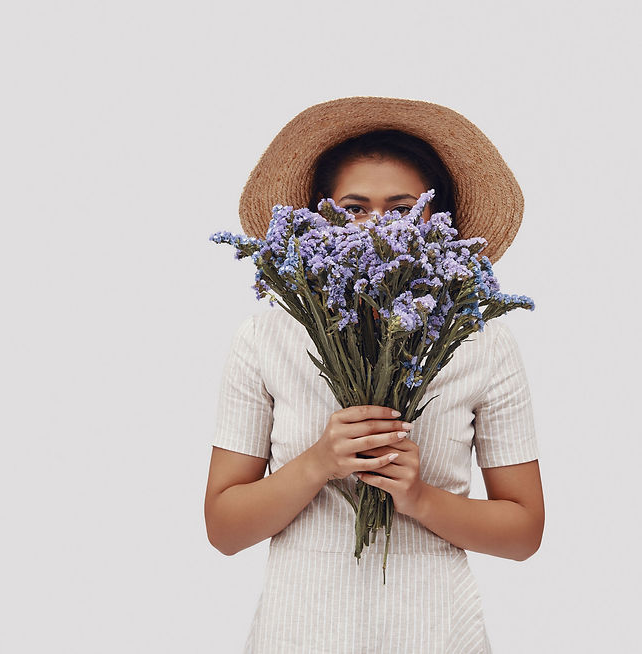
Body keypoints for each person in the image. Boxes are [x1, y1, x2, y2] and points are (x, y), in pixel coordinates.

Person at [205, 96, 544, 653]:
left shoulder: (482, 341)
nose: (379, 224)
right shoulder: (267, 336)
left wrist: (420, 498)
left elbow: (524, 532)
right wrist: (319, 462)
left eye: (403, 206)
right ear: (321, 217)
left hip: (435, 632)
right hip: (300, 633)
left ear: (436, 219)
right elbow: (223, 528)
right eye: (355, 207)